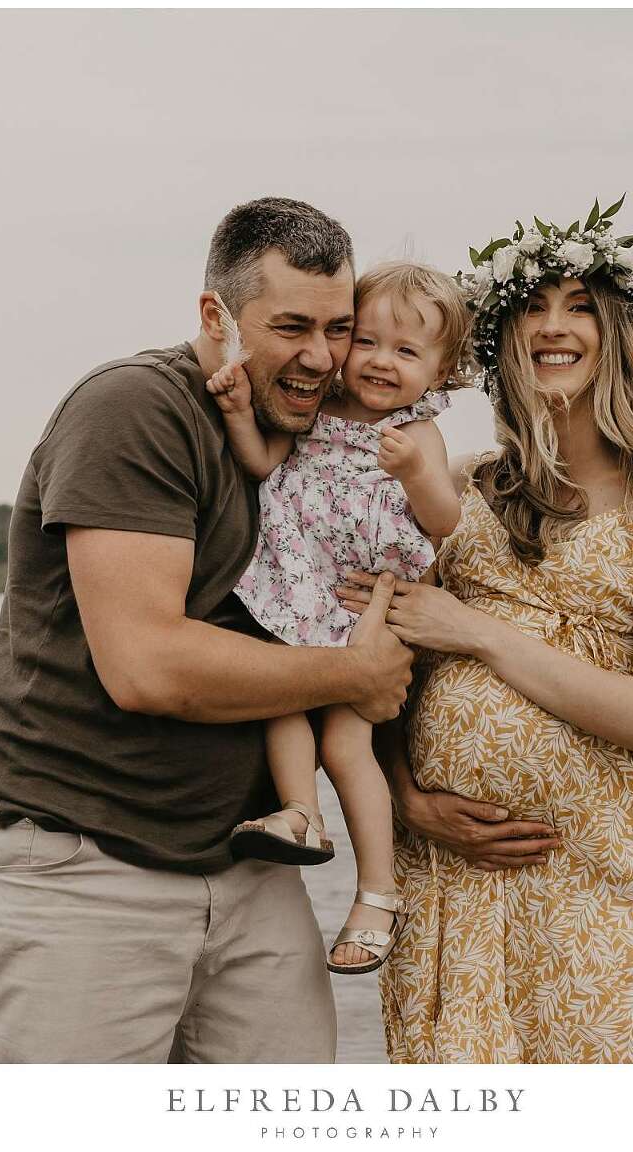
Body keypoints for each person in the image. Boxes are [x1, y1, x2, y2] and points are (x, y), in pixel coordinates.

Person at [0, 197, 414, 1063]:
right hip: (86, 868)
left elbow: (358, 637)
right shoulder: (135, 409)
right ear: (216, 316)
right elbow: (149, 665)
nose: (320, 358)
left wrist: (412, 795)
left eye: (337, 328)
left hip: (255, 869)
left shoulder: (323, 439)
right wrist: (351, 676)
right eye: (289, 327)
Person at [338, 200, 633, 1062]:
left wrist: (476, 631)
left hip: (604, 890)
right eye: (532, 309)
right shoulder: (460, 485)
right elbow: (372, 669)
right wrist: (411, 801)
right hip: (454, 888)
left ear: (619, 334)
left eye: (581, 306)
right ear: (502, 342)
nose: (554, 329)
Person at [204, 262, 466, 975]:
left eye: (407, 352)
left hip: (368, 602)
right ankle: (300, 813)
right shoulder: (318, 412)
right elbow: (264, 466)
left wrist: (414, 471)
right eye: (369, 341)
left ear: (441, 370)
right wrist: (234, 414)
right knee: (282, 699)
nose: (382, 362)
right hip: (301, 587)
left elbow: (444, 521)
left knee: (348, 742)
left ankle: (378, 892)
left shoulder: (419, 433)